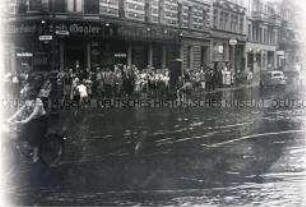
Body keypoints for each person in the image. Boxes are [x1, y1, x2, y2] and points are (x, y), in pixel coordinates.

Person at [8, 87, 47, 163]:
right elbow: (20, 111)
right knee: (23, 133)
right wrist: (11, 118)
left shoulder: (38, 102)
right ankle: (28, 149)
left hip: (41, 119)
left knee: (34, 137)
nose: (29, 96)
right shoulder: (28, 101)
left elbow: (34, 113)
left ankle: (35, 157)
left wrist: (25, 120)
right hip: (32, 119)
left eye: (30, 94)